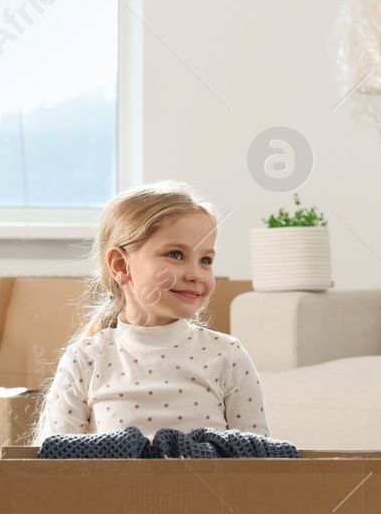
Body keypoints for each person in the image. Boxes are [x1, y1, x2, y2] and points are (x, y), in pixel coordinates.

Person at [35, 180, 268, 440]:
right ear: (121, 265)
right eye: (176, 255)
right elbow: (54, 464)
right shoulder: (84, 359)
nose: (195, 274)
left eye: (205, 260)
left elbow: (258, 461)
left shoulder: (228, 356)